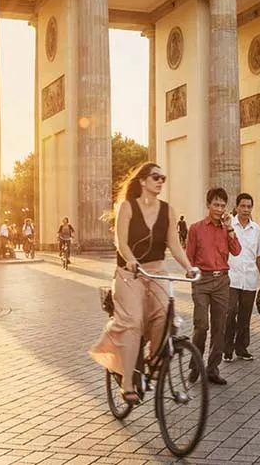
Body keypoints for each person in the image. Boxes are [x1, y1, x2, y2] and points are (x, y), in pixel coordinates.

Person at [89, 162, 195, 405]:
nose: (160, 181)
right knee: (133, 321)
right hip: (130, 273)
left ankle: (155, 363)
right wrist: (133, 261)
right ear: (142, 181)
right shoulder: (127, 207)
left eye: (163, 178)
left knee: (164, 313)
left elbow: (174, 244)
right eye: (156, 177)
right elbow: (121, 242)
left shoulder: (167, 210)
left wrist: (189, 266)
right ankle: (127, 385)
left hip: (157, 271)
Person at [185, 187, 241, 385]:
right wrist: (191, 273)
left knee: (220, 326)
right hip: (202, 281)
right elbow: (189, 256)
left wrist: (231, 228)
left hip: (222, 281)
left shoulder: (227, 229)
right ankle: (196, 365)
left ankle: (212, 368)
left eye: (222, 205)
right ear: (208, 205)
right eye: (215, 204)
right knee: (202, 325)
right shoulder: (196, 228)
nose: (219, 209)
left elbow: (236, 251)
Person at [223, 193, 260, 363]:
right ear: (237, 207)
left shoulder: (256, 229)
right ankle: (227, 349)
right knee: (230, 311)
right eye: (243, 206)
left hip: (249, 277)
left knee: (245, 315)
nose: (246, 209)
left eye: (249, 206)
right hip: (231, 277)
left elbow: (259, 255)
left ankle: (241, 348)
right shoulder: (228, 225)